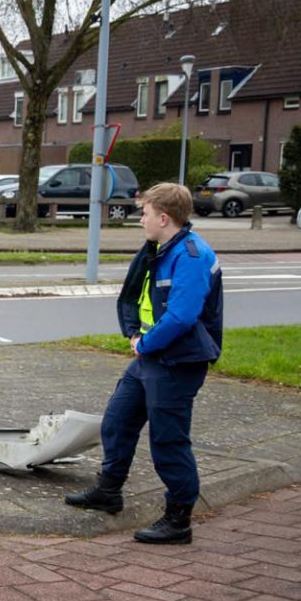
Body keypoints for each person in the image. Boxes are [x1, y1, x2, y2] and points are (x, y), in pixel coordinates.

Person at [65, 182, 222, 544]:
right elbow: (142, 299)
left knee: (168, 441)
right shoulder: (161, 249)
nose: (141, 220)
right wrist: (136, 335)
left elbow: (182, 316)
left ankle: (179, 519)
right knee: (118, 420)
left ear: (164, 218)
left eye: (145, 213)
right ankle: (108, 491)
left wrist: (145, 342)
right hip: (151, 356)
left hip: (177, 361)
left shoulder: (191, 256)